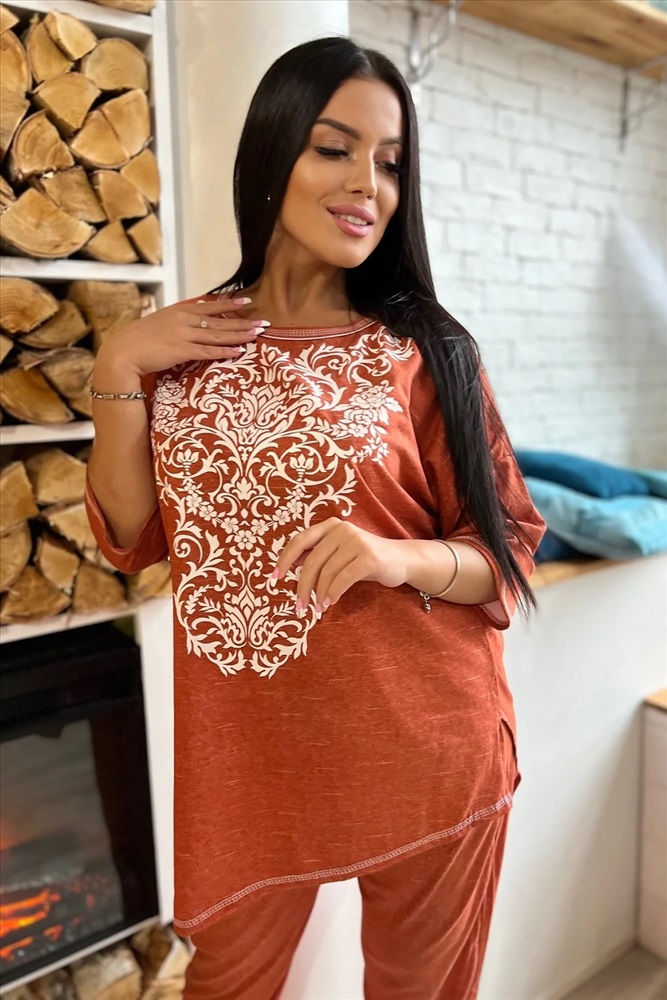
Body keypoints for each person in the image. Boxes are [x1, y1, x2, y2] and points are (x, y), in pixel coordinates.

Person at [86, 36, 546, 1000]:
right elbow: (130, 538)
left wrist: (393, 557)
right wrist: (117, 365)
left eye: (390, 162)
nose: (366, 184)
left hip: (424, 744)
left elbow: (506, 551)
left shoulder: (426, 350)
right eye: (334, 148)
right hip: (246, 763)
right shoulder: (181, 343)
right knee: (225, 984)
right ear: (273, 150)